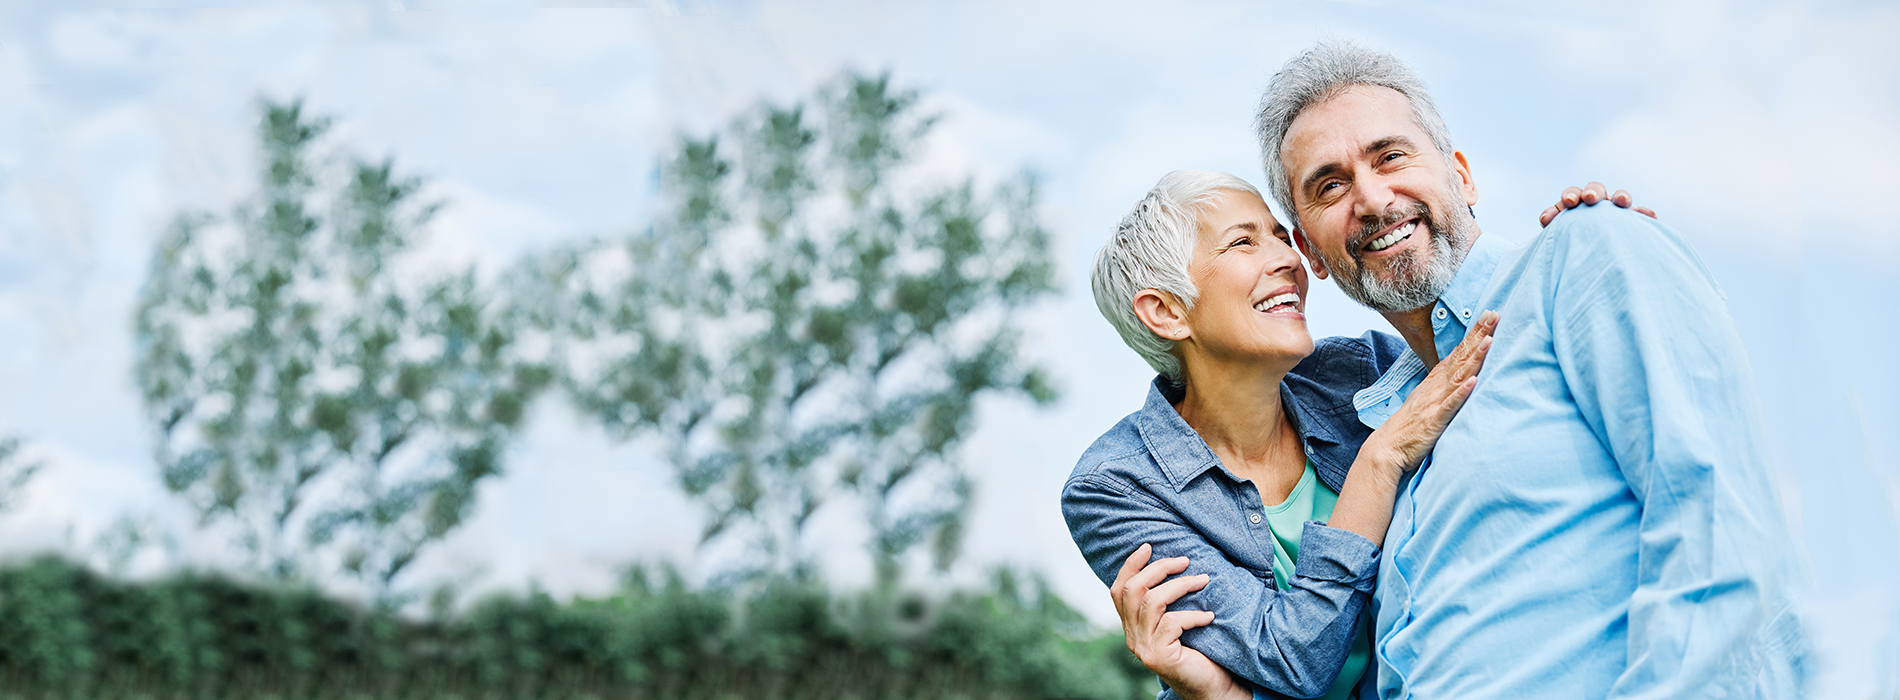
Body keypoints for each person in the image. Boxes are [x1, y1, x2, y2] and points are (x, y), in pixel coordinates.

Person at [1241, 41, 1806, 698]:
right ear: (1309, 250)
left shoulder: (1586, 254)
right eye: (1330, 185)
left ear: (1464, 177)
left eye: (1391, 156)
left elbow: (1719, 535)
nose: (1370, 199)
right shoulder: (1379, 446)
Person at [1063, 171, 1632, 700]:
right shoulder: (1115, 488)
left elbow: (1506, 355)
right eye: (1243, 243)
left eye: (1280, 235)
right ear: (1165, 312)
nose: (1288, 258)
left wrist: (1577, 252)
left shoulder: (1365, 372)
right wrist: (1379, 459)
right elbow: (1293, 659)